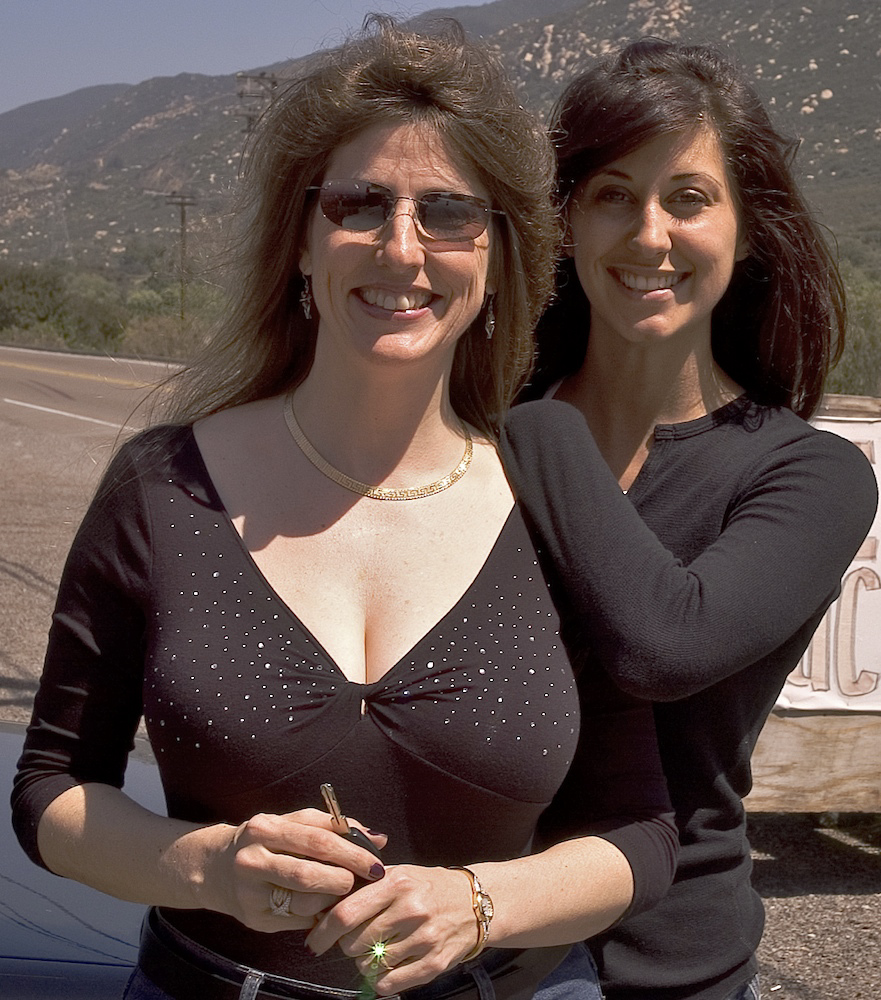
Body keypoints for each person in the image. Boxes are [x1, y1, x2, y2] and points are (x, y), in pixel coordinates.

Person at [12, 19, 678, 1000]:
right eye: (359, 204)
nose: (401, 248)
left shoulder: (556, 502)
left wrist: (479, 902)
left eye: (448, 213)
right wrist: (203, 865)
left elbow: (642, 833)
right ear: (301, 240)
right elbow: (52, 789)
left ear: (497, 255)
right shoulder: (162, 487)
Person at [501, 38, 878, 1000]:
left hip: (667, 969)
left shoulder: (807, 475)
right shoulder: (468, 440)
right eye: (613, 194)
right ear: (566, 222)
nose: (649, 234)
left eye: (689, 198)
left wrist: (533, 419)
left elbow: (661, 648)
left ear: (747, 231)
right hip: (457, 948)